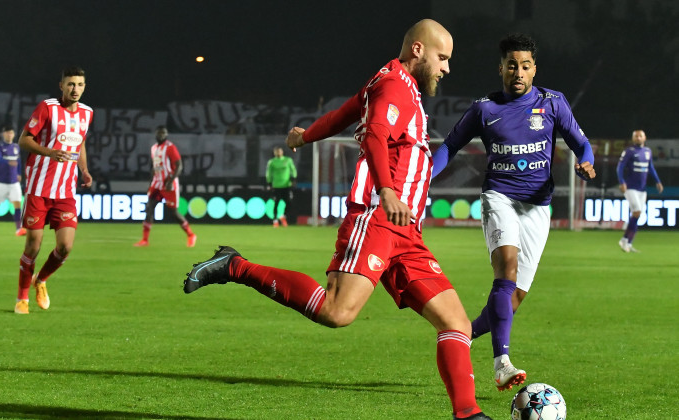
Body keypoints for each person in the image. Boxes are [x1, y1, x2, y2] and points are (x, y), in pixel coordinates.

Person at [183, 19, 492, 420]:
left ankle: (468, 413)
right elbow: (376, 135)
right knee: (337, 311)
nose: (447, 68)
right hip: (379, 218)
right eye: (442, 57)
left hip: (406, 231)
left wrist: (305, 135)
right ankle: (235, 266)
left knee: (456, 323)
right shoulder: (394, 86)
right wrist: (386, 190)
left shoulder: (393, 83)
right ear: (418, 50)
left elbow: (347, 112)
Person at [431, 33, 596, 391]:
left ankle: (462, 334)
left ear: (534, 69)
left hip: (538, 206)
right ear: (501, 68)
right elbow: (449, 147)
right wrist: (422, 176)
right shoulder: (484, 109)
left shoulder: (554, 103)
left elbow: (581, 142)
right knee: (504, 272)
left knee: (513, 298)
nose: (517, 72)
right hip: (499, 196)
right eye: (511, 65)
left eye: (524, 66)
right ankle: (502, 363)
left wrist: (586, 161)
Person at [14, 66, 94, 315]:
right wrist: (50, 152)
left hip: (66, 191)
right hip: (39, 188)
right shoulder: (47, 108)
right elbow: (24, 140)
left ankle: (41, 279)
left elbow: (80, 142)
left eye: (79, 84)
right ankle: (22, 298)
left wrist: (84, 169)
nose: (75, 89)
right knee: (33, 247)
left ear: (84, 86)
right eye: (70, 84)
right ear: (61, 86)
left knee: (65, 247)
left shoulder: (87, 113)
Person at [134, 126, 196, 247]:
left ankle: (190, 234)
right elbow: (154, 167)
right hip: (157, 183)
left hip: (169, 184)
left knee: (173, 212)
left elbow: (179, 166)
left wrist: (171, 180)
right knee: (149, 208)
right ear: (156, 134)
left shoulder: (170, 147)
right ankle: (145, 240)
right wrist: (150, 183)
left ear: (167, 134)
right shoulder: (154, 148)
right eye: (159, 133)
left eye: (164, 133)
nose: (161, 135)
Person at [616, 129, 663, 252]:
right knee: (637, 212)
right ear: (633, 139)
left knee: (637, 215)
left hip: (642, 189)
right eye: (636, 136)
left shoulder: (647, 151)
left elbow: (650, 167)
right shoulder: (629, 151)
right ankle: (624, 241)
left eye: (640, 136)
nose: (638, 138)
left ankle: (627, 242)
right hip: (630, 188)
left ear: (644, 138)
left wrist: (658, 181)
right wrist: (622, 182)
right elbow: (620, 168)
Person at [0, 124, 27, 236]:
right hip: (1, 182)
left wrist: (18, 173)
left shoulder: (16, 147)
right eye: (7, 132)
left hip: (14, 182)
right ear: (3, 134)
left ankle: (19, 229)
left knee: (17, 204)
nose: (9, 134)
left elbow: (19, 162)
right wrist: (7, 162)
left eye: (11, 132)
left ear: (13, 134)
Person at [266, 146, 297, 227]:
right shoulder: (272, 162)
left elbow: (293, 169)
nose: (278, 153)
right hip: (276, 186)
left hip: (286, 185)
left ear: (282, 152)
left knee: (289, 202)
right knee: (276, 203)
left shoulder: (288, 160)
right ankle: (275, 220)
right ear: (274, 153)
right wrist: (269, 183)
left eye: (279, 151)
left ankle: (283, 216)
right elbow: (268, 173)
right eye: (277, 152)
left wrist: (293, 179)